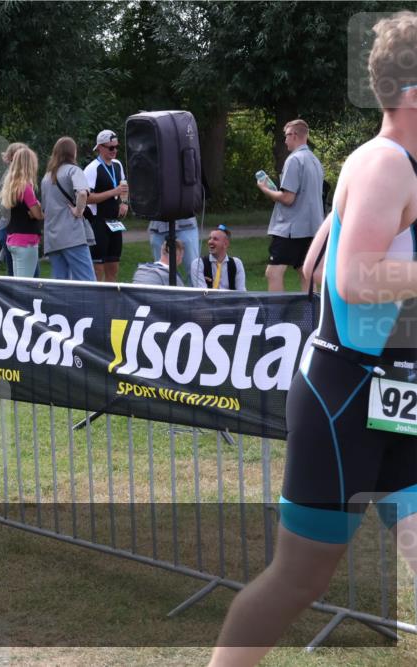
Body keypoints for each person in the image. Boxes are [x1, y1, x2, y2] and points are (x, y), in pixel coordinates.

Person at [210, 12, 417, 665]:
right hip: (344, 402)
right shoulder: (384, 162)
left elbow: (313, 268)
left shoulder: (389, 164)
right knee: (298, 579)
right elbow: (352, 278)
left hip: (397, 397)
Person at [258, 118, 325, 292]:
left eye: (286, 136)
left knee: (273, 273)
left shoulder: (294, 160)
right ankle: (312, 316)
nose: (285, 140)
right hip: (312, 228)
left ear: (294, 135)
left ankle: (276, 317)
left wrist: (265, 189)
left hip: (291, 228)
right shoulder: (315, 160)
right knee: (306, 272)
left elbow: (288, 198)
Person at [40, 136, 96, 281]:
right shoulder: (73, 170)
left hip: (52, 237)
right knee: (87, 280)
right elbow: (83, 193)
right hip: (72, 235)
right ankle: (91, 305)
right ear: (73, 152)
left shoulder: (46, 177)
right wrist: (78, 211)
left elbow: (44, 208)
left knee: (61, 283)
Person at [84, 130, 129, 281]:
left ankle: (110, 303)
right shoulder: (92, 169)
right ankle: (96, 302)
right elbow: (87, 198)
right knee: (98, 269)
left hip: (114, 222)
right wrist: (113, 192)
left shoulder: (117, 164)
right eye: (111, 148)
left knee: (113, 267)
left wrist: (124, 202)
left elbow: (123, 186)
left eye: (116, 147)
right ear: (100, 147)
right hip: (98, 223)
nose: (114, 151)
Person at [0, 146, 43, 277]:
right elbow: (38, 214)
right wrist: (37, 208)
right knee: (26, 285)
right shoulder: (26, 187)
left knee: (18, 283)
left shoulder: (11, 185)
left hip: (13, 239)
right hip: (26, 241)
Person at [0, 142, 29, 276]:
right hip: (11, 229)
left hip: (8, 228)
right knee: (20, 274)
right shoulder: (13, 177)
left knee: (17, 273)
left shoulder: (14, 176)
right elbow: (7, 207)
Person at [190, 225, 246, 291]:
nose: (210, 242)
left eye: (215, 239)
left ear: (225, 244)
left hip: (231, 301)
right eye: (210, 238)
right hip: (207, 301)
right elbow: (202, 293)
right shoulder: (198, 264)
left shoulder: (236, 263)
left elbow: (241, 292)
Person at [148, 216, 199, 284]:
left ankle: (196, 294)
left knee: (194, 270)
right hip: (158, 227)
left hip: (186, 225)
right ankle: (165, 294)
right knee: (161, 271)